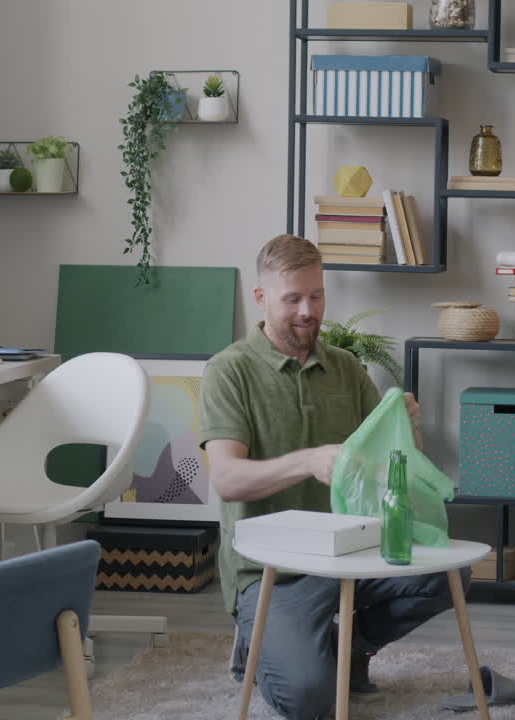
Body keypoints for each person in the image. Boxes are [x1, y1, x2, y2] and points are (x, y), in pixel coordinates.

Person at [199, 234, 465, 720]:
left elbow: (393, 469)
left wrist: (410, 430)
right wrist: (308, 460)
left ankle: (344, 649)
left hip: (350, 552)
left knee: (450, 574)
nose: (307, 310)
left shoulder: (345, 367)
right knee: (311, 700)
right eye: (292, 298)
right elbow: (228, 480)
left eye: (316, 296)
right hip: (273, 572)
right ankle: (259, 650)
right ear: (260, 299)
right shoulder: (229, 371)